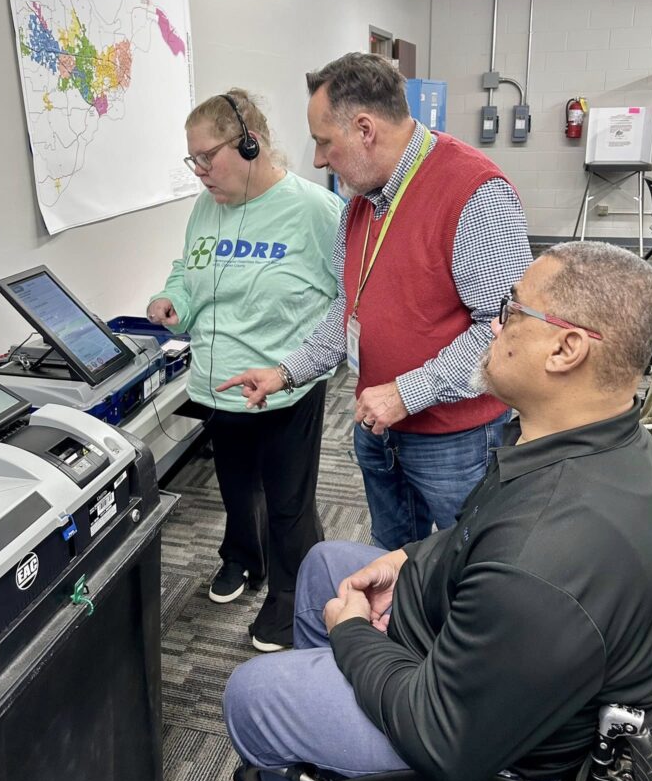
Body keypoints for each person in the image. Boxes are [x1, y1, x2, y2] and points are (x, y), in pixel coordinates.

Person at [211, 241, 652, 781]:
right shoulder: (597, 435)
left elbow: (448, 739)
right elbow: (480, 532)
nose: (493, 322)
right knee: (325, 566)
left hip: (490, 746)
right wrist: (410, 558)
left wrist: (353, 636)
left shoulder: (547, 554)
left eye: (513, 310)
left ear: (566, 349)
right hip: (489, 659)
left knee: (253, 696)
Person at [218, 53, 532, 550]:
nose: (319, 159)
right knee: (393, 564)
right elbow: (349, 312)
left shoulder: (474, 192)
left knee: (464, 571)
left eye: (324, 142)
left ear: (365, 129)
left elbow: (504, 331)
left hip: (454, 442)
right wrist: (285, 372)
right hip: (380, 431)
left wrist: (409, 393)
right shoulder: (362, 202)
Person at [147, 89, 341, 652]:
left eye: (209, 156)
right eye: (193, 160)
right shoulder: (206, 207)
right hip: (217, 384)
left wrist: (297, 365)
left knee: (289, 506)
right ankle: (242, 559)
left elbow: (349, 298)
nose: (201, 171)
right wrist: (173, 299)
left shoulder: (314, 211)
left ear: (250, 143)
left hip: (285, 389)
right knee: (236, 490)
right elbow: (188, 270)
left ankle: (291, 599)